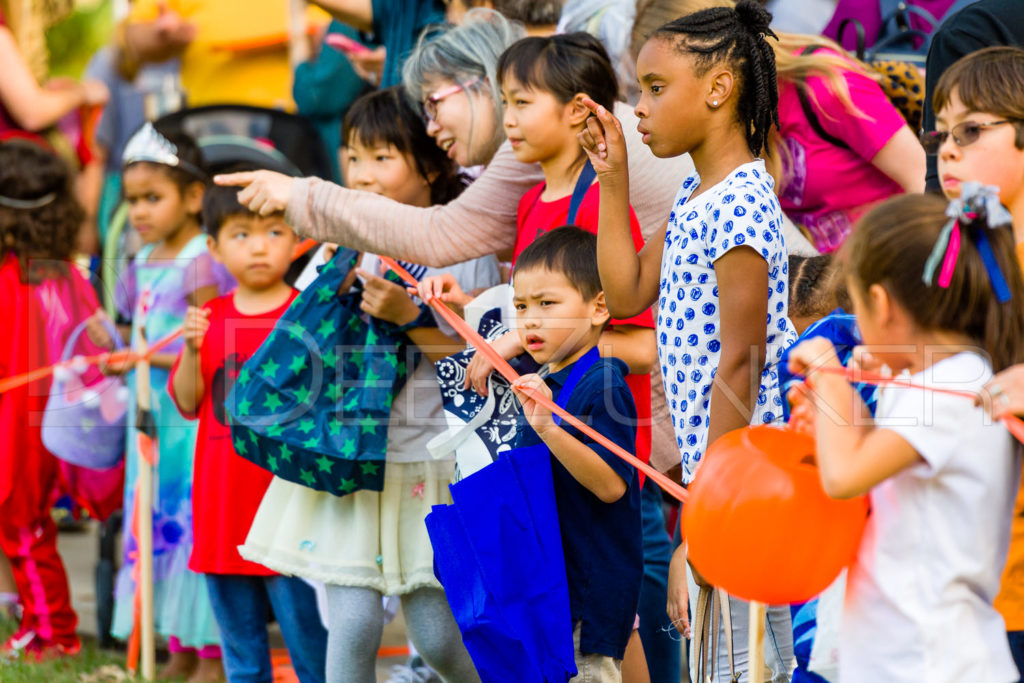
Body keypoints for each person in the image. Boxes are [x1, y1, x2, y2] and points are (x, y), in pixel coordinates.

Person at [238, 86, 496, 683]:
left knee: (437, 638)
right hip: (353, 462)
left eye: (383, 157)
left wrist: (409, 319)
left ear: (431, 164)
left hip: (428, 466)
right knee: (351, 627)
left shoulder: (465, 251)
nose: (363, 174)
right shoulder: (348, 241)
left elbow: (473, 365)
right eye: (354, 157)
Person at [579, 2, 797, 680]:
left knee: (745, 661)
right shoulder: (694, 193)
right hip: (723, 476)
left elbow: (744, 353)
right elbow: (624, 295)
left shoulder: (740, 201)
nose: (638, 106)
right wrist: (611, 180)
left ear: (718, 89)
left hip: (748, 481)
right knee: (735, 661)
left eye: (654, 86)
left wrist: (712, 505)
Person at [787, 191, 1024, 683]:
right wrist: (839, 414)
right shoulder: (930, 382)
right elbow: (879, 467)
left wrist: (829, 377)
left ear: (880, 303)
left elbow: (846, 477)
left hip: (936, 665)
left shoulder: (955, 384)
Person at [168, 182, 328, 683]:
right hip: (223, 510)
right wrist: (194, 350)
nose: (259, 247)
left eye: (273, 232)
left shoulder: (307, 315)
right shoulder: (209, 318)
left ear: (296, 239)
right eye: (241, 235)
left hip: (291, 515)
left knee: (312, 656)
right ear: (213, 247)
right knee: (242, 659)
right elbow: (188, 401)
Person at [95, 123, 230, 681]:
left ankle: (209, 653)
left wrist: (141, 358)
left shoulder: (202, 260)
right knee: (152, 518)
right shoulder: (144, 255)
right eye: (133, 201)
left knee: (186, 521)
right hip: (149, 422)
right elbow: (139, 327)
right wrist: (114, 342)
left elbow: (213, 340)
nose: (141, 211)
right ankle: (175, 648)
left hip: (186, 419)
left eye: (154, 198)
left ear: (194, 197)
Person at [924, 45, 1024, 679]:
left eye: (972, 130)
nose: (947, 151)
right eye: (941, 133)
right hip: (980, 570)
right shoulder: (968, 256)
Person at [509, 226, 642, 682]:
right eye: (521, 307)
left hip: (586, 598)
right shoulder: (548, 381)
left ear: (598, 307)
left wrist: (546, 427)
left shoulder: (602, 383)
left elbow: (610, 485)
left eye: (547, 304)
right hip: (550, 592)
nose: (530, 320)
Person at [0, 139, 101, 660]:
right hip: (51, 419)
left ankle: (54, 632)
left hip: (18, 424)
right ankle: (38, 619)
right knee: (27, 523)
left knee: (22, 525)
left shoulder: (14, 277)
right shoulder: (60, 272)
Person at [922, 0, 1024, 192]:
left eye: (970, 130)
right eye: (938, 138)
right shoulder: (973, 30)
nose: (946, 151)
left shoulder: (975, 29)